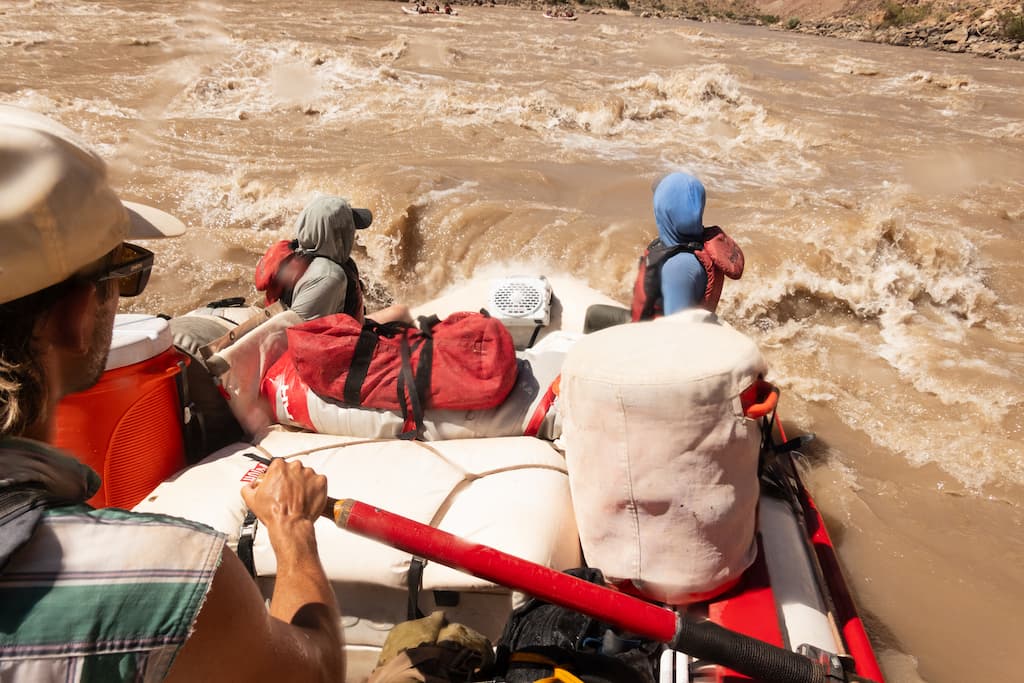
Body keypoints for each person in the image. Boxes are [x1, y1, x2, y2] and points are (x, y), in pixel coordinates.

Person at [0, 105, 344, 682]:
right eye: (123, 275)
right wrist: (292, 527)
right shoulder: (176, 585)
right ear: (74, 315)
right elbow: (317, 670)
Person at [255, 194, 412, 324]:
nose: (354, 235)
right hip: (337, 346)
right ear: (339, 237)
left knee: (399, 311)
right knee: (403, 315)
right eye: (350, 229)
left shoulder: (295, 252)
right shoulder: (329, 276)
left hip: (332, 326)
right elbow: (300, 335)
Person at [630, 172, 744, 320]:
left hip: (654, 336)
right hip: (655, 322)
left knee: (593, 319)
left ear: (662, 210)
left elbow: (675, 335)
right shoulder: (692, 243)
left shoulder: (678, 267)